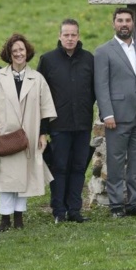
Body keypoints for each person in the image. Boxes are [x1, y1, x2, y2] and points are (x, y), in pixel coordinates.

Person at [0, 33, 57, 231]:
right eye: (14, 50)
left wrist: (43, 134)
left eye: (21, 50)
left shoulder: (37, 79)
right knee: (6, 179)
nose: (18, 53)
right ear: (9, 54)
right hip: (5, 136)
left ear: (27, 52)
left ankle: (18, 217)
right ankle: (4, 219)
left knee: (24, 178)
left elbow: (45, 110)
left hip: (30, 136)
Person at [94, 8, 136, 217]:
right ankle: (116, 205)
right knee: (115, 162)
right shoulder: (104, 51)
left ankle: (134, 204)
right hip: (117, 116)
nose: (124, 24)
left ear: (133, 24)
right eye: (120, 20)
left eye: (128, 20)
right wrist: (107, 114)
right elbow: (101, 85)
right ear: (113, 23)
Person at [37, 19, 95, 223]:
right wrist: (43, 129)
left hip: (82, 124)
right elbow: (40, 97)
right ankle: (59, 211)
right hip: (58, 126)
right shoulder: (48, 60)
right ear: (60, 36)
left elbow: (94, 91)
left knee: (79, 167)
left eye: (73, 35)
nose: (70, 38)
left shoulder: (89, 59)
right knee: (59, 168)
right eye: (66, 35)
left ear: (78, 36)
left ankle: (75, 210)